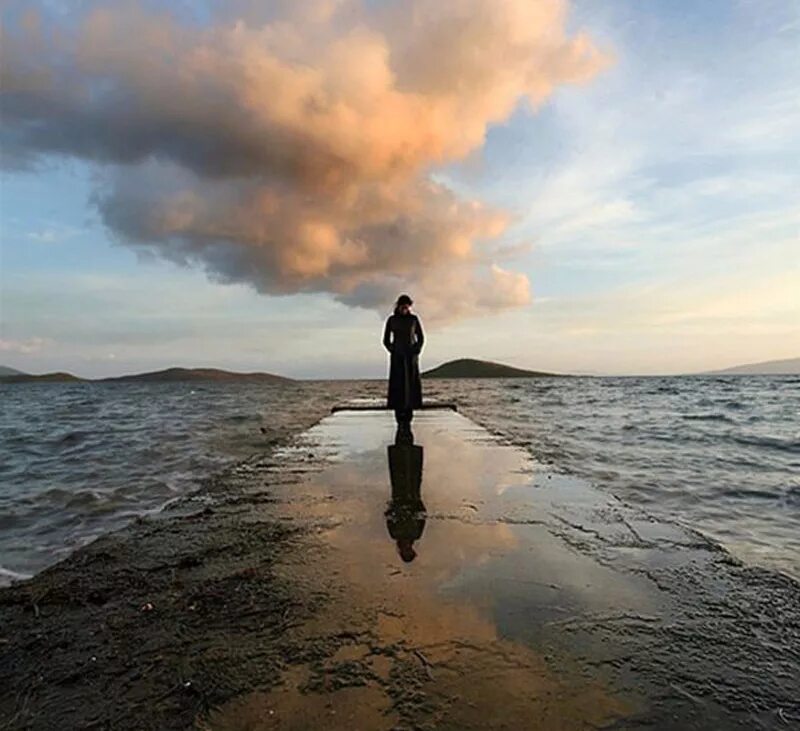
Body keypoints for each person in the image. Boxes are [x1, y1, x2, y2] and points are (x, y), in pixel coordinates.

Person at [382, 294, 424, 425]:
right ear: (399, 306)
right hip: (397, 356)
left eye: (407, 307)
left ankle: (410, 409)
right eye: (403, 307)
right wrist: (392, 349)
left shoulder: (414, 319)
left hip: (411, 356)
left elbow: (421, 337)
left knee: (410, 382)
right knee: (398, 383)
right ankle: (398, 410)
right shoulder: (392, 320)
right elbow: (385, 339)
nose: (405, 309)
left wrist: (417, 349)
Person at [385, 426, 425, 563]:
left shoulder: (395, 534)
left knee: (401, 474)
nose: (409, 549)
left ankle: (403, 434)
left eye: (407, 552)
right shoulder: (416, 534)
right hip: (412, 496)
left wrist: (394, 507)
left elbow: (388, 516)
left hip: (399, 497)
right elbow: (422, 516)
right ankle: (404, 434)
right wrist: (417, 504)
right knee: (410, 474)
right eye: (410, 551)